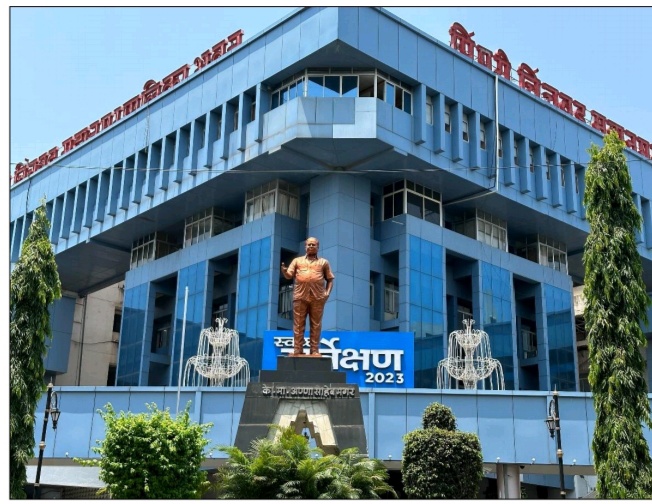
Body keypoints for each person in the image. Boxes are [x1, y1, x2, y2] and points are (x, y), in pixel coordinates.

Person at [281, 237, 335, 356]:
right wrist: (284, 271)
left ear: (318, 247)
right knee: (298, 324)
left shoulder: (324, 262)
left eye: (313, 245)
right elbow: (289, 275)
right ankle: (297, 349)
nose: (311, 246)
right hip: (300, 296)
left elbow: (330, 279)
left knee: (316, 324)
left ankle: (314, 350)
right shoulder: (297, 261)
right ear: (305, 247)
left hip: (318, 297)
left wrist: (327, 293)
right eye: (309, 245)